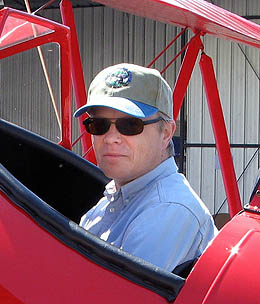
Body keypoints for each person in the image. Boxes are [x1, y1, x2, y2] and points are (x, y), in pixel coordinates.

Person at [74, 63, 218, 272]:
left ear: (166, 133)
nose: (111, 138)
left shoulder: (167, 208)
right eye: (99, 124)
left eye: (130, 125)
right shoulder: (114, 198)